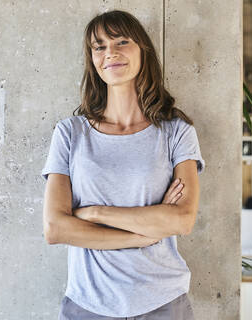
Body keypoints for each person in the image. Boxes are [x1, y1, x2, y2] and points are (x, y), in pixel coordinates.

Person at [42, 10, 205, 320]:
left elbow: (182, 220)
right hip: (87, 304)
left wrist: (95, 213)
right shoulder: (70, 133)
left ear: (142, 49)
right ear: (92, 59)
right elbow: (55, 228)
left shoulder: (176, 132)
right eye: (99, 46)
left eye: (121, 41)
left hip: (163, 302)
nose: (110, 53)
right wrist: (143, 235)